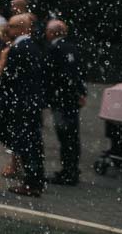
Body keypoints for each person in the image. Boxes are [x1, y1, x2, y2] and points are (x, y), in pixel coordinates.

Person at [0, 13, 45, 197]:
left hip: (22, 103)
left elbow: (8, 76)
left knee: (27, 143)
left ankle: (32, 181)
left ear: (21, 28)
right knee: (32, 142)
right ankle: (34, 179)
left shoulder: (19, 48)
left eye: (11, 26)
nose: (8, 30)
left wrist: (3, 62)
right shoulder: (31, 46)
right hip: (30, 102)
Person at [45, 19, 86, 186]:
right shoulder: (72, 47)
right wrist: (81, 92)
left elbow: (53, 75)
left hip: (61, 98)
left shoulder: (54, 49)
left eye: (48, 30)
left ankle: (68, 172)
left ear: (53, 33)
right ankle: (72, 168)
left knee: (65, 135)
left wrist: (47, 96)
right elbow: (78, 72)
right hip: (71, 98)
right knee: (72, 135)